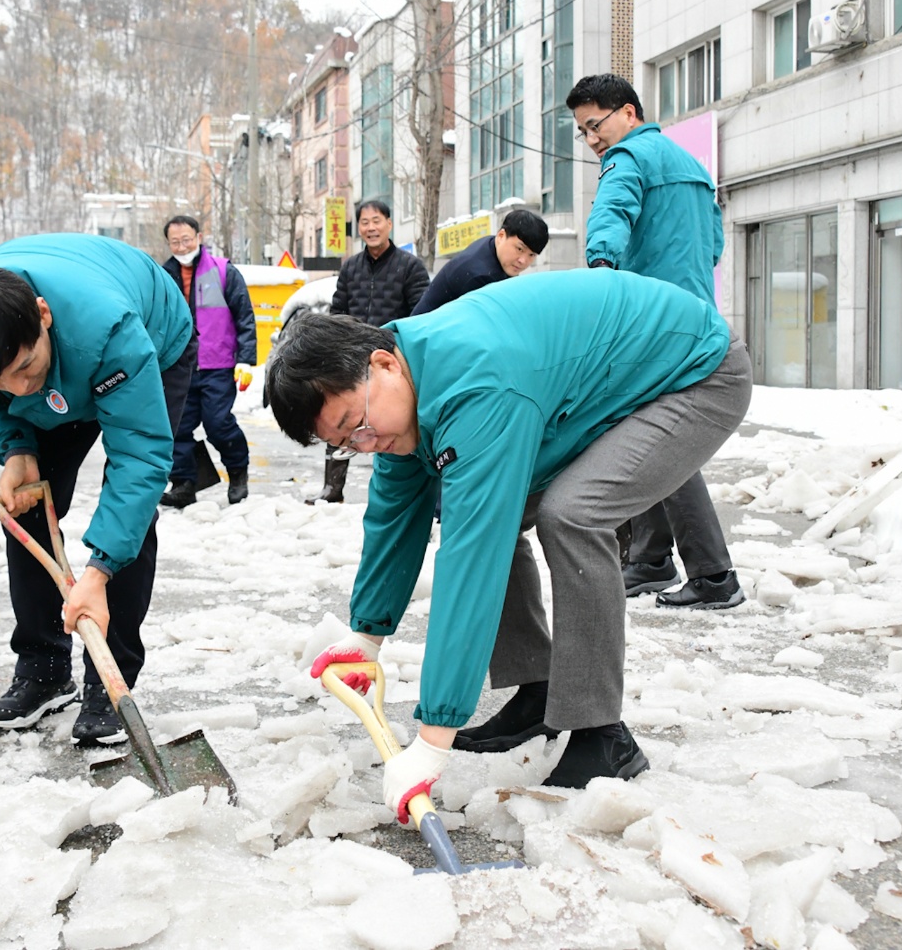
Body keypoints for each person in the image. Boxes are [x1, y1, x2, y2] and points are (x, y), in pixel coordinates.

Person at [268, 269, 751, 805]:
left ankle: (601, 734)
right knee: (481, 508)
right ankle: (539, 687)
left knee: (572, 514)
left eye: (356, 424)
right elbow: (392, 518)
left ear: (381, 363)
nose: (365, 443)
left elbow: (474, 561)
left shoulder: (476, 385)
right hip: (607, 381)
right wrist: (367, 635)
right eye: (345, 444)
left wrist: (433, 742)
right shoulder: (405, 383)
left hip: (696, 372)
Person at [0, 233, 196, 745]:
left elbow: (139, 460)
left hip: (148, 343)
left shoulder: (112, 331)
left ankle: (110, 682)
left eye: (25, 369)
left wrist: (99, 571)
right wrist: (16, 450)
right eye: (1, 382)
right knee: (28, 503)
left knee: (131, 516)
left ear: (43, 314)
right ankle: (43, 672)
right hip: (66, 351)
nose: (20, 390)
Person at [566, 73, 743, 611]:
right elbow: (713, 244)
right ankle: (649, 558)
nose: (593, 139)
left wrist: (602, 268)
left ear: (628, 113)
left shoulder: (627, 159)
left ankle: (713, 574)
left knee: (655, 443)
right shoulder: (691, 165)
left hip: (651, 323)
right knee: (637, 431)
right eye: (583, 132)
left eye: (595, 125)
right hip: (693, 311)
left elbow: (611, 214)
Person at [404, 208, 552, 753]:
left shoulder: (497, 273)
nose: (524, 263)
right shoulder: (477, 278)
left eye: (532, 259)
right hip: (444, 398)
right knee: (482, 532)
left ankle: (540, 685)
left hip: (465, 397)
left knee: (494, 530)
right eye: (520, 251)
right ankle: (535, 685)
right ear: (502, 237)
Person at [309, 199, 430, 504]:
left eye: (377, 221)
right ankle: (331, 488)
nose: (371, 227)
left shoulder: (409, 266)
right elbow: (338, 310)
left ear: (389, 224)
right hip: (350, 359)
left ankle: (404, 494)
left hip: (392, 359)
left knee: (391, 423)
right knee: (340, 415)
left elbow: (422, 312)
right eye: (364, 222)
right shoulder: (351, 267)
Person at [157, 216, 257, 508]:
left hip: (217, 364)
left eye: (186, 239)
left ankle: (237, 473)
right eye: (175, 241)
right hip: (179, 366)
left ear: (198, 236)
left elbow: (244, 316)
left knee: (218, 423)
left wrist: (246, 360)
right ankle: (185, 483)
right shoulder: (162, 276)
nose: (182, 245)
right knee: (177, 428)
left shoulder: (223, 270)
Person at [409, 208, 549, 317]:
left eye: (531, 255)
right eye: (519, 249)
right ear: (501, 236)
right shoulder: (479, 276)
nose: (523, 260)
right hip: (423, 339)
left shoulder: (493, 246)